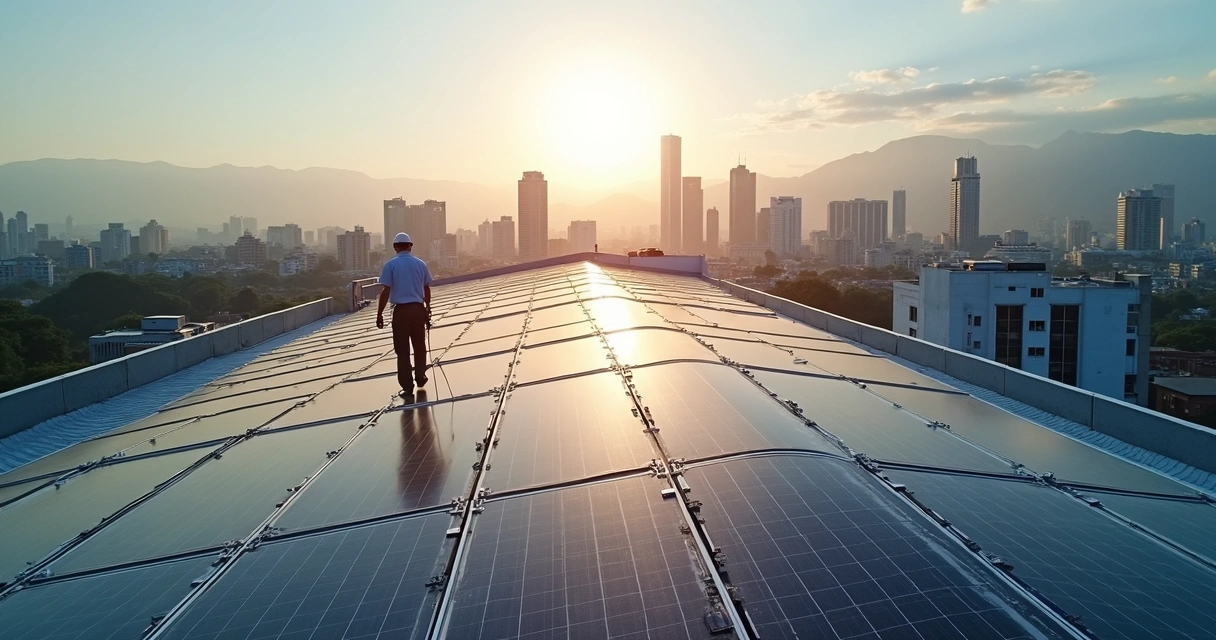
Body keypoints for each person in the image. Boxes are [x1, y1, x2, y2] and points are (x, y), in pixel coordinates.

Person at [376, 232, 434, 396]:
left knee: (402, 350)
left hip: (400, 312)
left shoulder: (390, 265)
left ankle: (407, 386)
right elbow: (426, 288)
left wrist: (379, 314)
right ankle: (421, 375)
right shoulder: (420, 264)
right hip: (417, 309)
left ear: (395, 247)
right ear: (410, 246)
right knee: (419, 345)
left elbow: (386, 291)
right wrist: (427, 308)